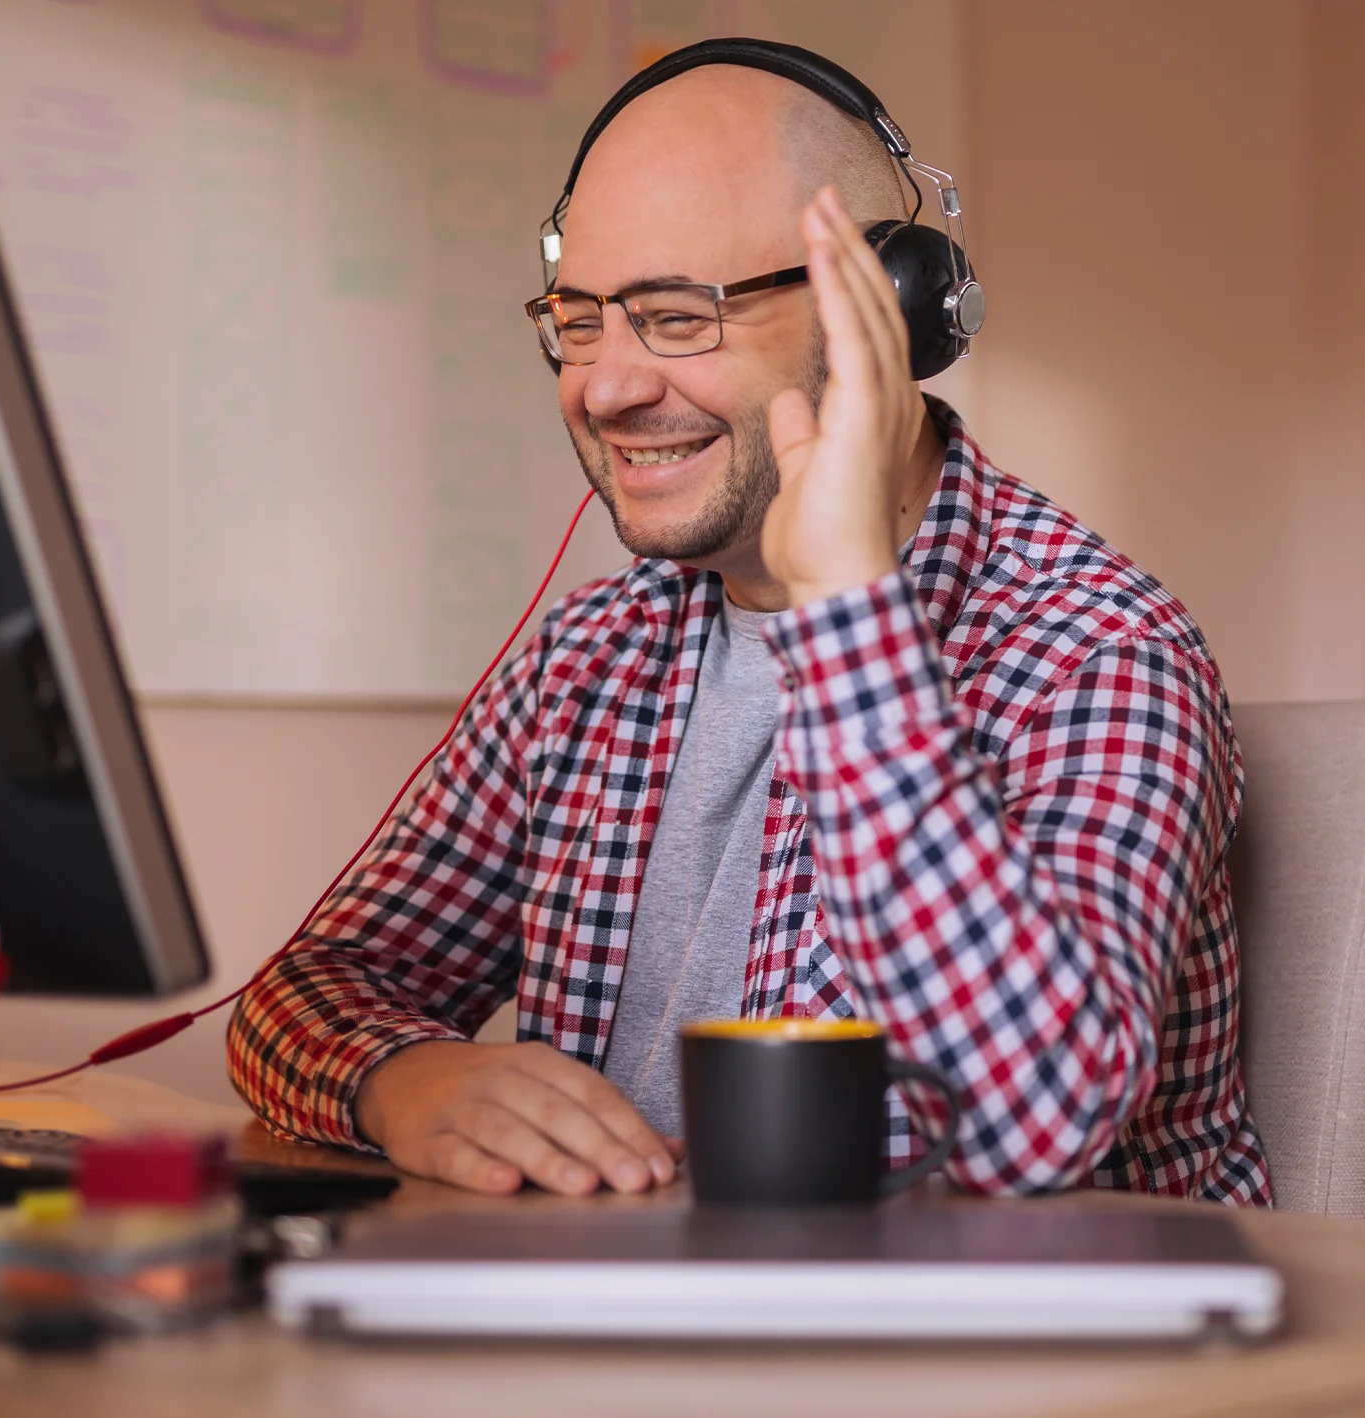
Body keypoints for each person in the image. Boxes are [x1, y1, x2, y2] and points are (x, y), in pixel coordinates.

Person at [227, 46, 1270, 1204]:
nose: (605, 386)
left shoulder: (1095, 653)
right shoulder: (587, 657)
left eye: (675, 317)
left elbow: (1027, 1124)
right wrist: (402, 1076)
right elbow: (316, 980)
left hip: (984, 1368)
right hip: (622, 1338)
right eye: (579, 319)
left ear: (884, 318)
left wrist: (850, 620)